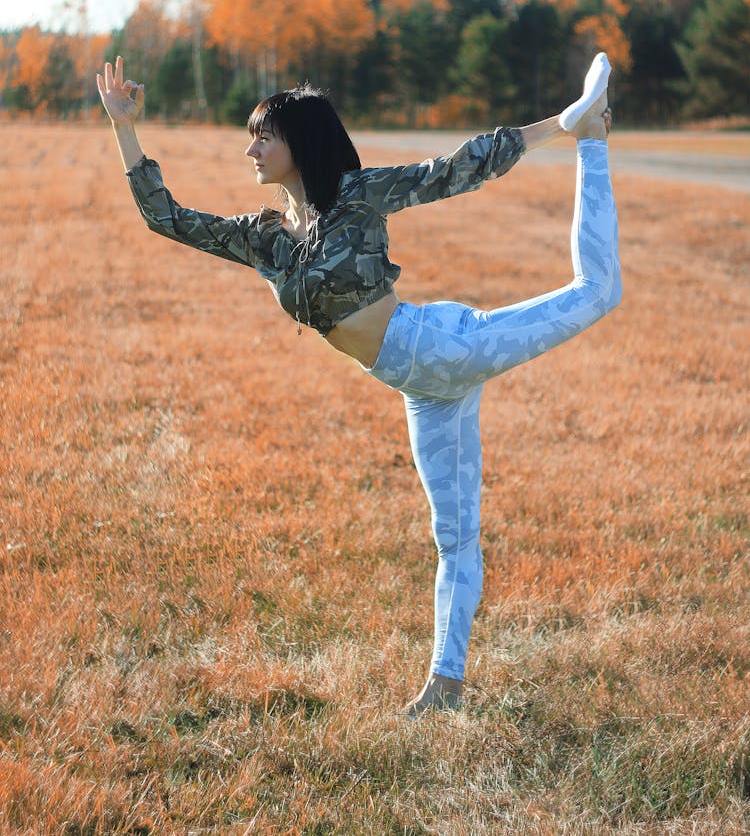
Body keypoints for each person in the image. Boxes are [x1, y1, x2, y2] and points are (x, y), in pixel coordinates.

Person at [98, 53, 620, 717]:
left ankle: (591, 135)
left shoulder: (357, 194)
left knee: (597, 291)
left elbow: (456, 170)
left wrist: (557, 126)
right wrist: (125, 128)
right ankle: (445, 688)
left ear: (301, 141)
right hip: (421, 386)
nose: (250, 147)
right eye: (251, 133)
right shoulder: (265, 239)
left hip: (444, 344)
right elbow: (164, 217)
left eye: (264, 134)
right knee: (454, 536)